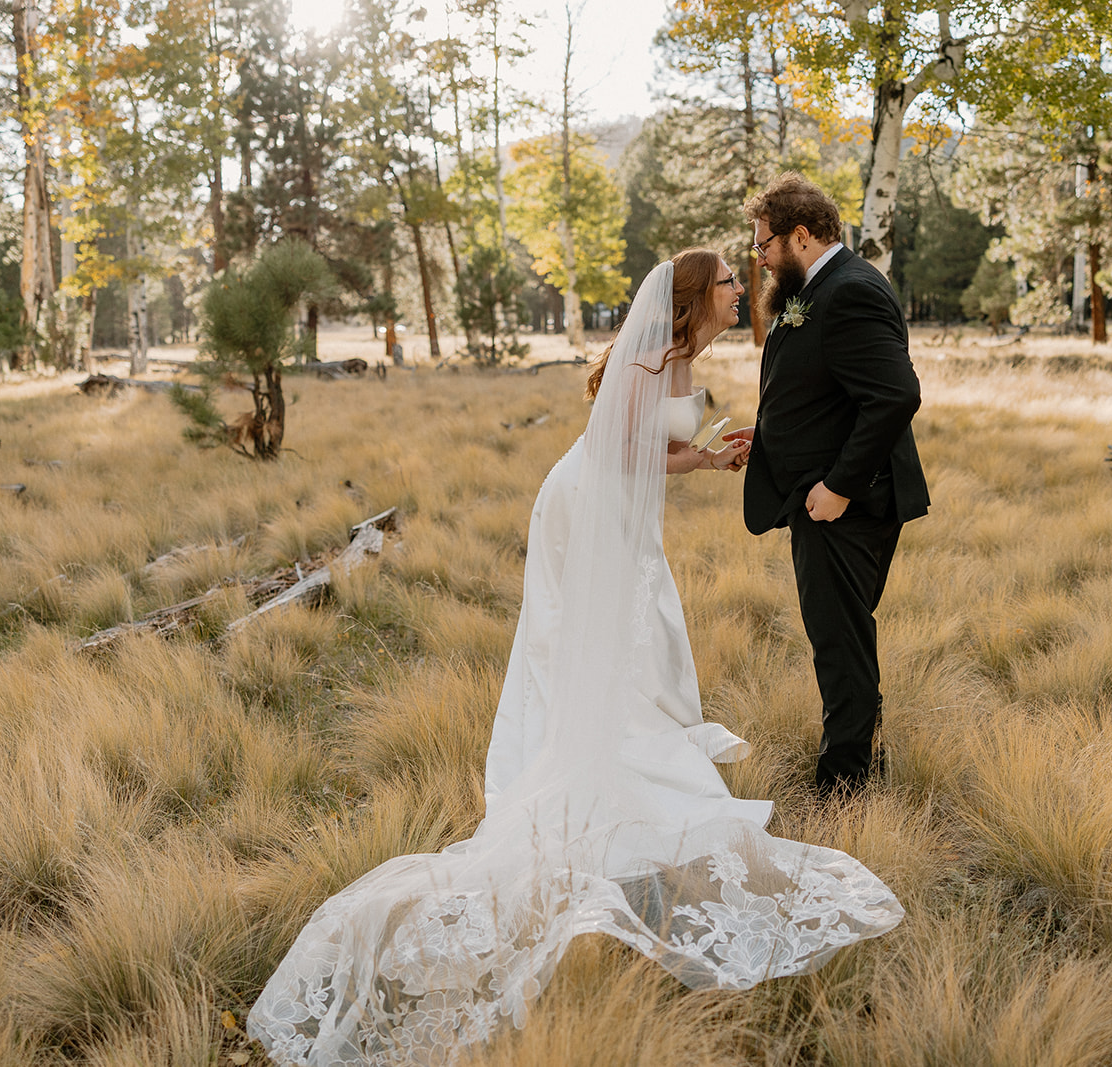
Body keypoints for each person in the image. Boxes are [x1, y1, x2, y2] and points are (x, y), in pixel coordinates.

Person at [248, 249, 905, 1066]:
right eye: (733, 283)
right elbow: (614, 453)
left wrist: (705, 457)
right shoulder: (649, 356)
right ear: (698, 297)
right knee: (622, 635)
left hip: (618, 503)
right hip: (590, 507)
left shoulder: (681, 355)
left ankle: (623, 745)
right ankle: (599, 763)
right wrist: (696, 460)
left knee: (643, 636)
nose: (745, 291)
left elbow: (649, 450)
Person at [723, 173, 929, 798]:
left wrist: (839, 485)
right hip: (822, 494)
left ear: (801, 235)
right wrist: (772, 437)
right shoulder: (818, 286)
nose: (757, 258)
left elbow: (896, 395)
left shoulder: (851, 291)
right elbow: (827, 388)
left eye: (763, 245)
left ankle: (845, 783)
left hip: (847, 503)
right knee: (843, 633)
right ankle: (862, 757)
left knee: (838, 639)